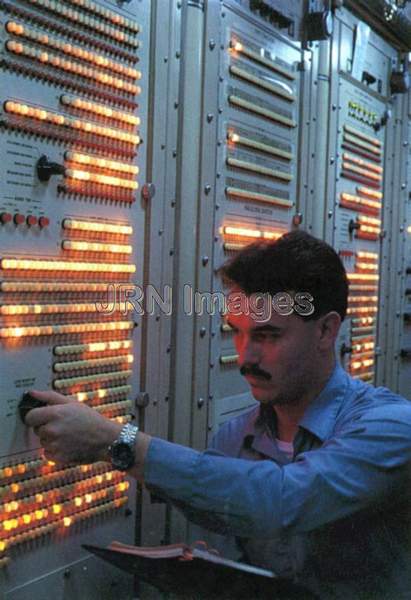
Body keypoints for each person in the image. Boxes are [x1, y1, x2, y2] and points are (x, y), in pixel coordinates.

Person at [25, 231, 411, 599]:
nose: (246, 356)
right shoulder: (233, 440)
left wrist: (118, 442)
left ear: (326, 331)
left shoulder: (390, 426)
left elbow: (282, 500)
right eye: (237, 333)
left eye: (268, 336)